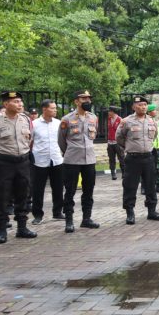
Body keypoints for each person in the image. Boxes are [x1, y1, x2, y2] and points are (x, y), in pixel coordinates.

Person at [116, 96, 159, 225]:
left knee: (150, 185)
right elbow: (119, 138)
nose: (143, 107)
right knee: (130, 186)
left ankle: (152, 211)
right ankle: (130, 212)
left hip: (148, 157)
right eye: (140, 105)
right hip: (133, 158)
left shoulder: (151, 121)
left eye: (144, 104)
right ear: (133, 107)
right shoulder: (126, 121)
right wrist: (130, 147)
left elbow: (153, 137)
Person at [0, 91, 37, 244]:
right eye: (15, 102)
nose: (20, 104)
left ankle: (22, 227)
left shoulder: (26, 120)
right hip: (4, 162)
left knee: (24, 194)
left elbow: (30, 139)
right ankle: (1, 229)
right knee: (2, 196)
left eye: (20, 101)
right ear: (6, 104)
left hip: (22, 161)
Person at [58, 90, 99, 233]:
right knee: (70, 191)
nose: (87, 101)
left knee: (89, 190)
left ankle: (86, 219)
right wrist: (69, 152)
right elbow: (61, 141)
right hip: (72, 160)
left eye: (89, 98)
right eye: (83, 99)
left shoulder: (93, 118)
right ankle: (69, 221)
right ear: (76, 101)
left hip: (89, 160)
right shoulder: (67, 119)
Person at [30, 99, 65, 225]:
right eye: (53, 108)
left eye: (56, 108)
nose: (55, 110)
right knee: (38, 189)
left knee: (58, 187)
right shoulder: (34, 124)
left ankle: (58, 212)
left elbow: (63, 140)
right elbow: (30, 141)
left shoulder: (58, 123)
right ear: (44, 109)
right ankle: (38, 214)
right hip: (39, 160)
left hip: (56, 159)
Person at [107, 106, 125, 180]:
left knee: (121, 158)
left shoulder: (120, 120)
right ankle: (113, 174)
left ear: (113, 112)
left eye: (109, 111)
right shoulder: (108, 119)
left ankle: (124, 173)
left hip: (117, 143)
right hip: (110, 143)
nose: (108, 113)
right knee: (111, 159)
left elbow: (123, 131)